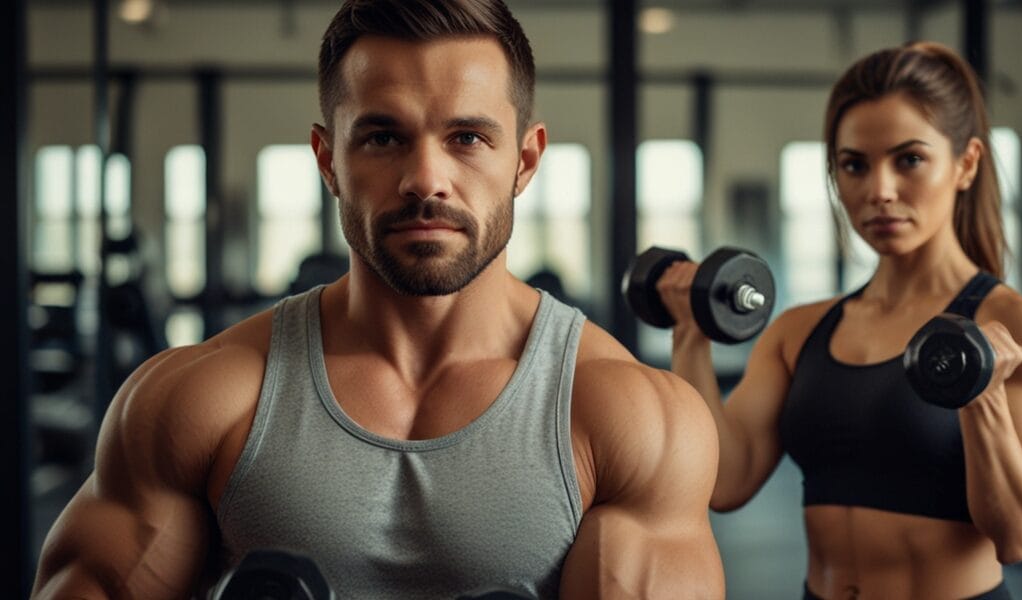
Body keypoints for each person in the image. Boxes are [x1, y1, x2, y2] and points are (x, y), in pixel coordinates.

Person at [31, 1, 725, 598]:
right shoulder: (199, 400)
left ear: (525, 160)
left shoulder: (629, 419)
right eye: (384, 136)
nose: (426, 178)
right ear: (328, 159)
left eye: (467, 138)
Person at [656, 41, 1022, 600]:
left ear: (966, 163)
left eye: (909, 159)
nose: (879, 191)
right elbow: (726, 482)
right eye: (854, 164)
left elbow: (1019, 537)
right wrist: (691, 334)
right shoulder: (799, 331)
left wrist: (982, 397)